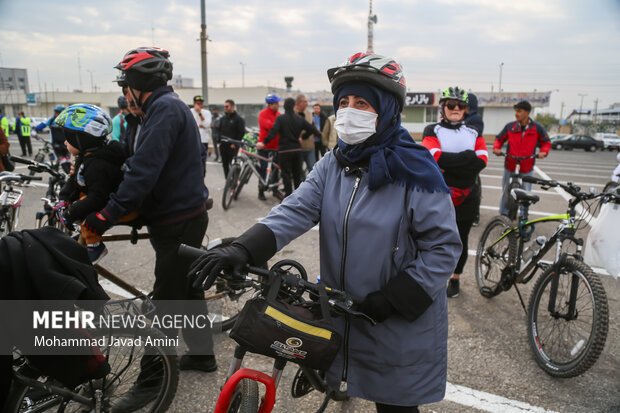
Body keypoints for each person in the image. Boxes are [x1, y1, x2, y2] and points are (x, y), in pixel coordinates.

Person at [192, 52, 461, 412]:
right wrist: (244, 248)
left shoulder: (416, 169)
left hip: (396, 320)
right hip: (343, 312)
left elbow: (443, 248)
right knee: (341, 374)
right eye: (344, 102)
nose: (349, 111)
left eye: (362, 102)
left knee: (394, 405)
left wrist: (394, 298)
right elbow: (295, 209)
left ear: (387, 109)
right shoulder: (335, 162)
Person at [83, 47, 216, 410]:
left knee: (166, 301)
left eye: (126, 85)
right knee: (187, 292)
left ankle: (150, 383)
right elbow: (134, 162)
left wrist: (104, 216)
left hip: (178, 220)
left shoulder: (165, 109)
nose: (125, 93)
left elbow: (143, 172)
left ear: (138, 85)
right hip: (180, 215)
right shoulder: (155, 110)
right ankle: (203, 355)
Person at [422, 87, 488, 298]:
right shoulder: (432, 130)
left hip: (469, 195)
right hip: (440, 194)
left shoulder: (474, 132)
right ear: (443, 107)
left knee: (462, 238)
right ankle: (432, 277)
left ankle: (455, 278)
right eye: (451, 105)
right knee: (433, 237)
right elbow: (433, 157)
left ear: (466, 109)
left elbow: (481, 162)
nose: (456, 108)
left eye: (461, 105)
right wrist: (468, 156)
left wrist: (449, 164)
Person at [52, 104, 126, 263]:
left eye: (68, 139)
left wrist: (71, 213)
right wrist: (63, 199)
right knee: (81, 208)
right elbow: (72, 182)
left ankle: (95, 246)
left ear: (81, 139)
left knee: (88, 217)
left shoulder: (98, 165)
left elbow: (97, 198)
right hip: (102, 199)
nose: (65, 143)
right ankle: (85, 235)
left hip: (113, 205)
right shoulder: (86, 157)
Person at [493, 100, 550, 216]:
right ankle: (503, 214)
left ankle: (524, 215)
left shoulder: (537, 128)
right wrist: (497, 149)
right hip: (510, 164)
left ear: (527, 112)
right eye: (516, 111)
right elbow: (499, 139)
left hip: (527, 166)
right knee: (505, 190)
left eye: (519, 111)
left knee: (526, 193)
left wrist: (543, 152)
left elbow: (546, 142)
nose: (516, 113)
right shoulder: (510, 126)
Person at [257, 97, 321, 197]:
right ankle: (298, 197)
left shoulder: (280, 118)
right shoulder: (299, 119)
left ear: (284, 107)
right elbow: (312, 129)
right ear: (294, 106)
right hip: (297, 150)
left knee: (286, 175)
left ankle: (289, 197)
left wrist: (264, 142)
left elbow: (273, 132)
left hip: (284, 151)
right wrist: (305, 136)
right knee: (297, 175)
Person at [257, 94, 283, 200]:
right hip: (264, 147)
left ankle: (275, 191)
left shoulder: (279, 114)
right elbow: (270, 127)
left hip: (276, 147)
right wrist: (278, 126)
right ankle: (261, 191)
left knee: (275, 170)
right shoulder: (262, 114)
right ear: (270, 104)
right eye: (276, 103)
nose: (278, 105)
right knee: (263, 169)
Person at [464, 93, 483, 226]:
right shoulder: (463, 116)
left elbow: (475, 136)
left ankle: (475, 215)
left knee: (473, 188)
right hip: (462, 157)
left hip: (471, 158)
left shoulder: (475, 119)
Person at [217, 99, 245, 178]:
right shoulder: (223, 118)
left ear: (232, 107)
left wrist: (235, 143)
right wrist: (219, 141)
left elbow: (241, 133)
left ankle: (234, 182)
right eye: (224, 106)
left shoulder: (239, 119)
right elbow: (219, 130)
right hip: (223, 145)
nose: (225, 108)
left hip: (232, 146)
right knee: (225, 165)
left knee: (232, 164)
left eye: (227, 106)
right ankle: (227, 183)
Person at [191, 95, 212, 173]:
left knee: (202, 161)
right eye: (197, 103)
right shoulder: (190, 111)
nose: (199, 105)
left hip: (203, 140)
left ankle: (202, 177)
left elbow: (207, 124)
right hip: (192, 140)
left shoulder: (206, 112)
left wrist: (200, 113)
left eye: (201, 103)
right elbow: (191, 125)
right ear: (194, 103)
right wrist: (200, 125)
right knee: (192, 160)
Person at [296, 94, 316, 172]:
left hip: (310, 147)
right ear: (299, 103)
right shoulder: (293, 114)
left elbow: (313, 128)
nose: (307, 103)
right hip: (298, 148)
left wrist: (323, 138)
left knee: (313, 170)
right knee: (298, 171)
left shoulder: (310, 114)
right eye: (304, 102)